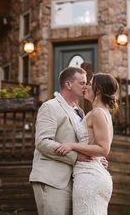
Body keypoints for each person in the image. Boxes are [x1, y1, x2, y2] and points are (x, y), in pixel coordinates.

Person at [29, 66, 91, 215]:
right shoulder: (50, 107)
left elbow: (82, 144)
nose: (86, 87)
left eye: (86, 83)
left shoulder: (80, 112)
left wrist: (96, 159)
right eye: (82, 83)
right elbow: (43, 142)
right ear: (68, 84)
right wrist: (77, 157)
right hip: (51, 180)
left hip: (75, 181)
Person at [55, 72, 119, 215]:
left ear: (99, 89)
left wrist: (71, 146)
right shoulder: (101, 113)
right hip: (93, 173)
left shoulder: (97, 113)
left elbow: (103, 148)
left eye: (89, 84)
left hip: (89, 177)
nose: (86, 87)